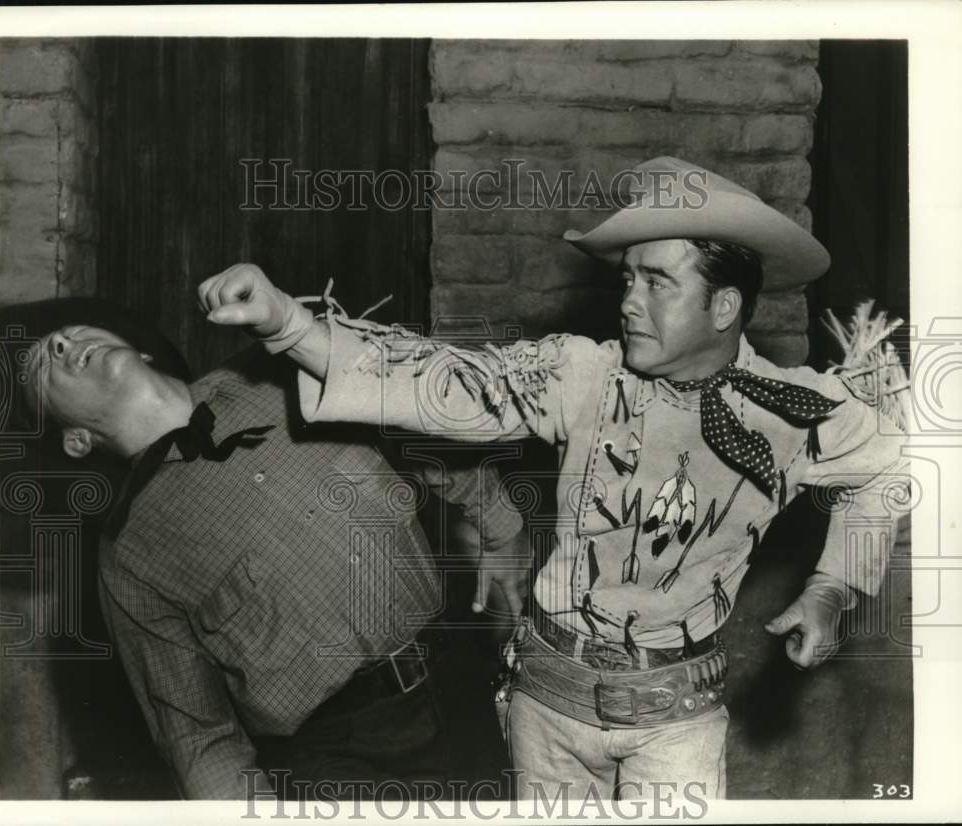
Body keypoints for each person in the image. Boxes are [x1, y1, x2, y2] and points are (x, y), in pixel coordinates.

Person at [197, 156, 907, 801]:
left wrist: (831, 588)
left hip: (677, 722)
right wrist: (288, 323)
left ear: (723, 306)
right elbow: (451, 387)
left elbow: (884, 473)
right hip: (548, 706)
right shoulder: (583, 374)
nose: (629, 300)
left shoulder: (795, 409)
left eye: (657, 282)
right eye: (627, 278)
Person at [21, 323, 527, 800]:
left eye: (67, 333)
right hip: (339, 762)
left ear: (143, 352)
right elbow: (198, 738)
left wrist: (500, 526)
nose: (64, 341)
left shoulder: (281, 372)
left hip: (458, 688)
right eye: (45, 362)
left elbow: (413, 428)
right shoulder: (127, 557)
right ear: (76, 441)